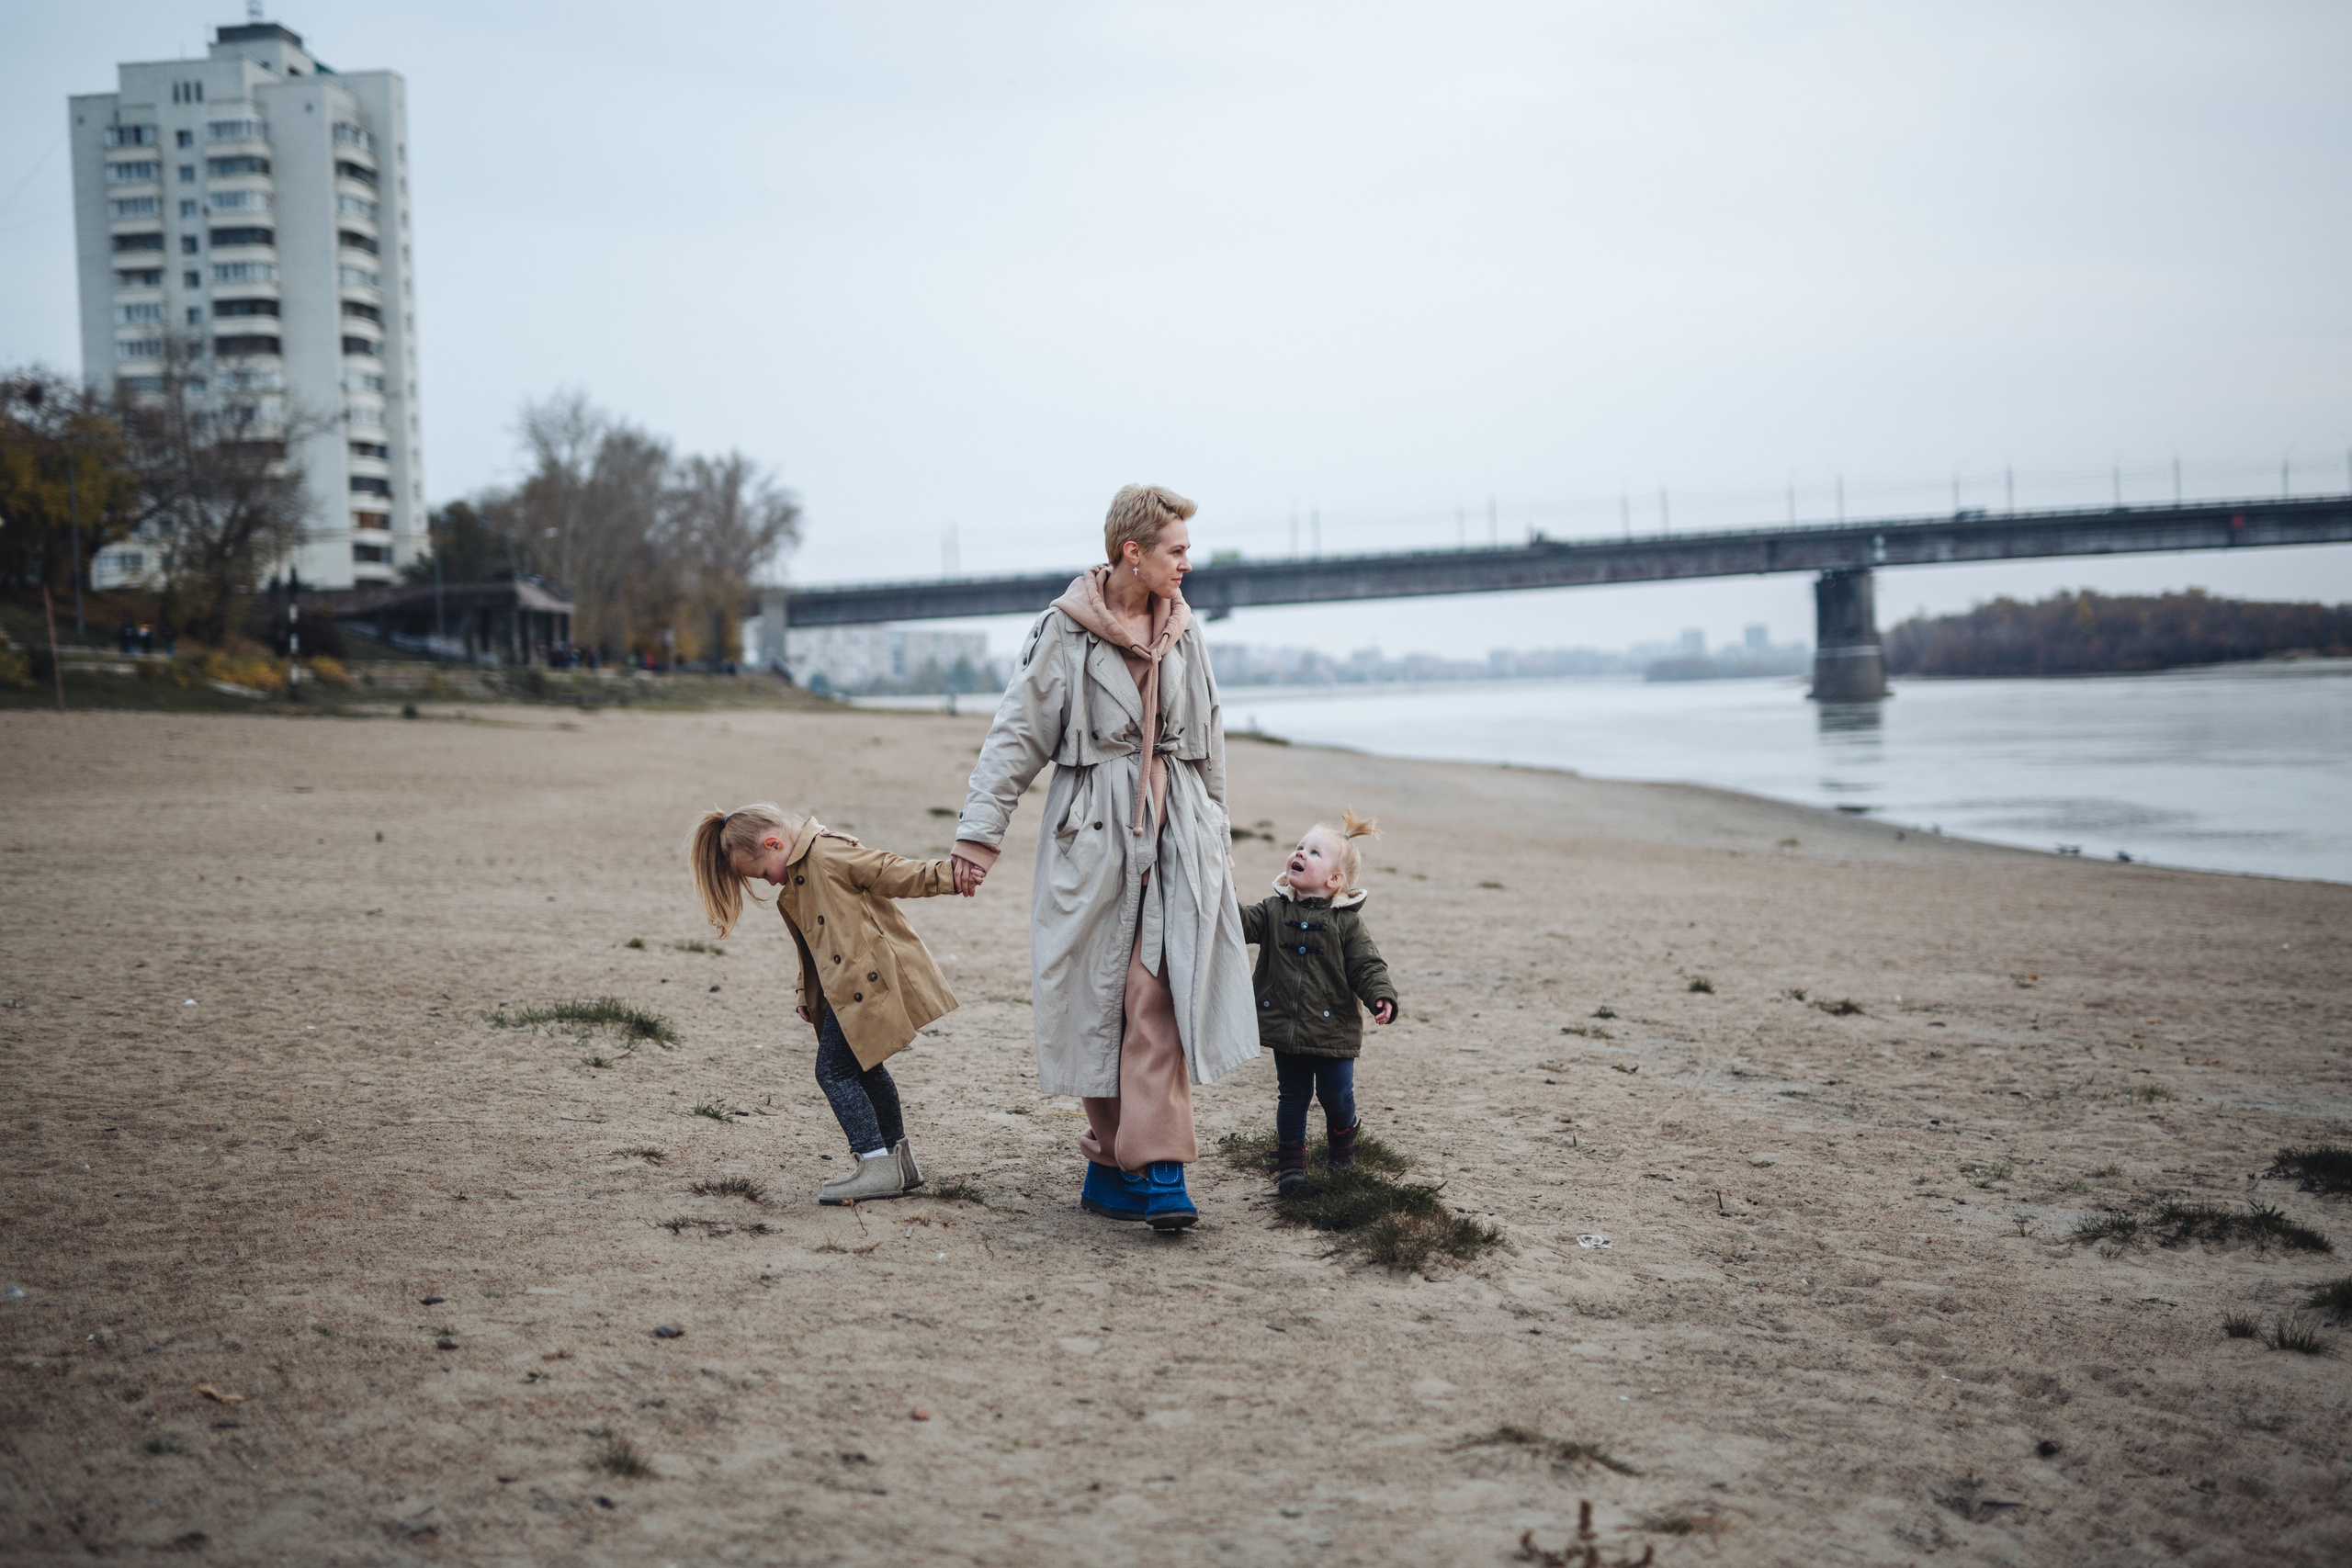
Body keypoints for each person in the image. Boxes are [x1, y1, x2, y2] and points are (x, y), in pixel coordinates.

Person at [952, 484, 1256, 1231]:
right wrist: (977, 835)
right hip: (1090, 830)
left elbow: (1210, 737)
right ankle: (1112, 1161)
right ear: (1132, 552)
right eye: (1176, 551)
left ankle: (1159, 1171)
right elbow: (1017, 734)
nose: (1188, 564)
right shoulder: (1065, 631)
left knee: (1159, 993)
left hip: (1178, 829)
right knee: (1097, 1000)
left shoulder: (1187, 632)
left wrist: (1217, 835)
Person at [688, 803, 967, 1205]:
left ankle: (875, 1165)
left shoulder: (828, 854)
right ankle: (898, 1163)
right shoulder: (801, 875)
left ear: (774, 843)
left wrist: (950, 876)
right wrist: (806, 992)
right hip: (845, 987)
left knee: (833, 1071)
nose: (769, 883)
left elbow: (890, 870)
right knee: (867, 1069)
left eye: (764, 873)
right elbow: (813, 944)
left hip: (866, 982)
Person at [1239, 810, 1399, 1196]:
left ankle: (1343, 1142)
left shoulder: (1346, 923)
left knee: (1335, 1095)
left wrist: (1381, 995)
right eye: (1299, 848)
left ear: (1334, 879)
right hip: (1287, 1027)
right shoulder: (1274, 910)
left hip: (1333, 1030)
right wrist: (1216, 897)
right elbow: (1239, 924)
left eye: (1314, 852)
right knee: (1292, 1096)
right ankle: (1292, 1166)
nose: (1301, 853)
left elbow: (1367, 965)